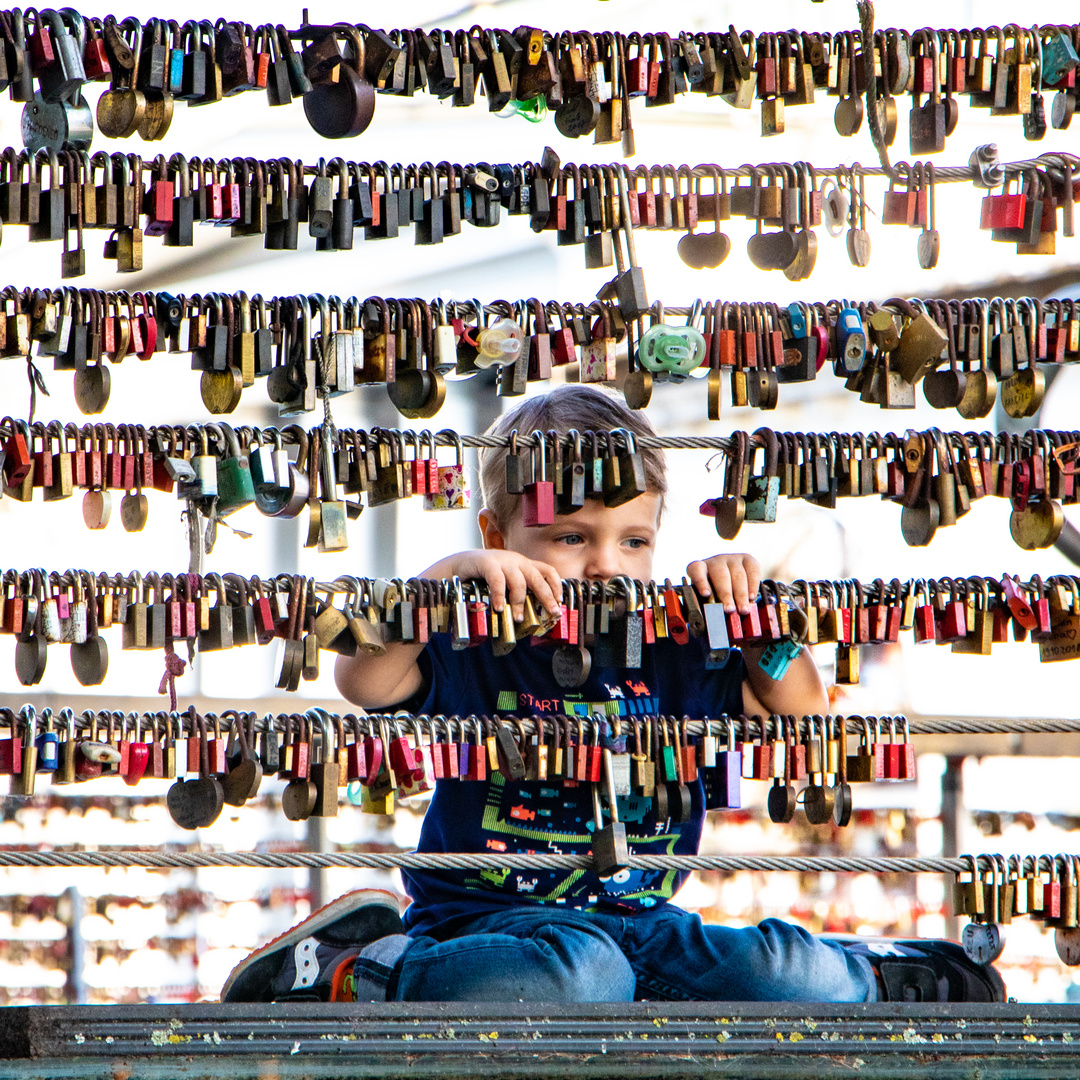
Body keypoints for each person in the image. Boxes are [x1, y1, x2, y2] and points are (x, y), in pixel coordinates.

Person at [222, 386, 1004, 1006]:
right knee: (577, 980)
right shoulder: (472, 635)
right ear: (500, 539)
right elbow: (364, 682)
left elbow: (804, 716)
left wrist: (760, 616)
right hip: (486, 929)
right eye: (571, 538)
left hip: (644, 925)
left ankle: (884, 973)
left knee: (776, 974)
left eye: (633, 541)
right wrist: (444, 583)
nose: (606, 565)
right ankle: (356, 968)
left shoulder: (678, 642)